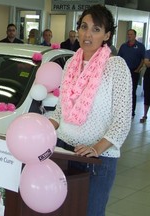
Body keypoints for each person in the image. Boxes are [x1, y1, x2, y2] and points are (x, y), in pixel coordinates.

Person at [49, 4, 132, 216]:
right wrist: (42, 128)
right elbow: (60, 111)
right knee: (61, 211)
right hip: (62, 150)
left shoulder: (116, 67)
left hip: (97, 158)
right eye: (84, 27)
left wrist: (96, 149)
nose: (87, 34)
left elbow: (122, 121)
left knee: (90, 213)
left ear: (107, 35)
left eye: (96, 29)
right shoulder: (70, 64)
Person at [118, 29, 145, 117]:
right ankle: (122, 111)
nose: (129, 36)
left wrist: (138, 69)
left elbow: (143, 59)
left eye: (131, 34)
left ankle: (132, 112)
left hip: (134, 72)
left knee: (132, 91)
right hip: (124, 72)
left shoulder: (140, 46)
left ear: (135, 35)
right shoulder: (123, 46)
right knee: (123, 91)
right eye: (128, 34)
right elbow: (119, 58)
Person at [140, 49, 150, 123]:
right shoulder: (148, 52)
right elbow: (147, 63)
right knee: (147, 95)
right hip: (148, 76)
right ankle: (145, 114)